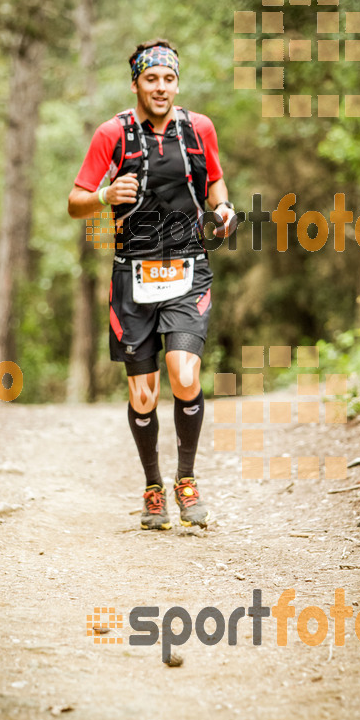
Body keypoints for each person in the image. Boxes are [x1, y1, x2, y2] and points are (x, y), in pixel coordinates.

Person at [68, 38, 235, 531]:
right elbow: (75, 201)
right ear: (137, 83)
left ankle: (187, 480)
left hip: (187, 269)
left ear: (176, 82)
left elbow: (216, 183)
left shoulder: (199, 129)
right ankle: (153, 488)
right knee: (143, 395)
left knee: (184, 374)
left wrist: (223, 210)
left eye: (168, 79)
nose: (160, 88)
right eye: (151, 79)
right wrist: (103, 195)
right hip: (133, 274)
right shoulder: (111, 135)